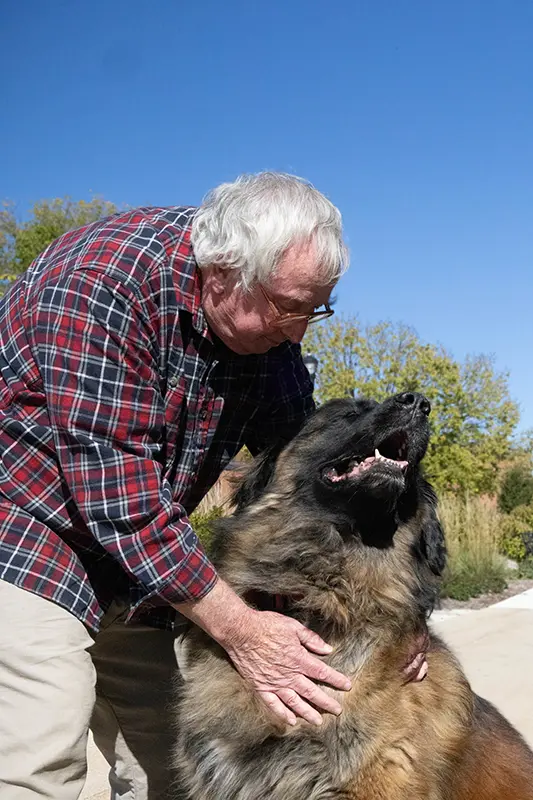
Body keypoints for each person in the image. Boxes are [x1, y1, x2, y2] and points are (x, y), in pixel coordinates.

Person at [0, 172, 425, 800]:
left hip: (145, 569)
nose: (300, 332)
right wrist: (244, 630)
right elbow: (120, 500)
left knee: (172, 771)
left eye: (317, 308)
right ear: (221, 271)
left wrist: (405, 609)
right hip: (32, 539)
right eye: (289, 307)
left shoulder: (265, 334)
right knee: (40, 757)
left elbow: (307, 464)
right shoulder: (95, 285)